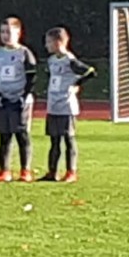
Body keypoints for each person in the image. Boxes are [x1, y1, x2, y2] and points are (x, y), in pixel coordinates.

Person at [42, 27, 95, 183]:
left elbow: (90, 71)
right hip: (53, 105)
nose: (46, 45)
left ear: (59, 42)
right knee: (54, 140)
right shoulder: (51, 60)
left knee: (68, 139)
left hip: (66, 105)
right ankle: (52, 172)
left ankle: (71, 172)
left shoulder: (69, 60)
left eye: (49, 42)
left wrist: (77, 84)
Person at [0, 16, 38, 183]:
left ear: (18, 33)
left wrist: (24, 96)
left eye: (9, 32)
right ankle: (4, 170)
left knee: (22, 135)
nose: (5, 36)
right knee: (4, 135)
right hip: (3, 100)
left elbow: (32, 78)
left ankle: (25, 170)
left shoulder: (25, 53)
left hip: (20, 101)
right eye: (3, 32)